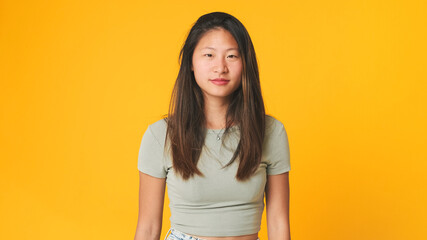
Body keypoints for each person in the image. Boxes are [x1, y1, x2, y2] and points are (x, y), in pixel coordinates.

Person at [134, 12, 291, 240]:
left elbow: (278, 224)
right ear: (190, 62)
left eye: (232, 56)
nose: (220, 68)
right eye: (209, 55)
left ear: (245, 63)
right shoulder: (160, 135)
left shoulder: (270, 132)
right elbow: (147, 227)